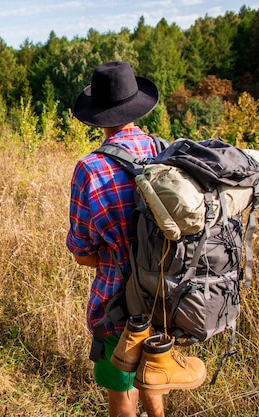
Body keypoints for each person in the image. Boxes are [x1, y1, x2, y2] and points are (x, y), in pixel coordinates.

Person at [66, 61, 166, 417]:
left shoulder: (90, 168)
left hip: (118, 305)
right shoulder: (164, 150)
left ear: (98, 116)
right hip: (170, 299)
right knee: (154, 380)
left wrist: (116, 258)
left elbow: (80, 252)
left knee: (121, 394)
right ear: (137, 105)